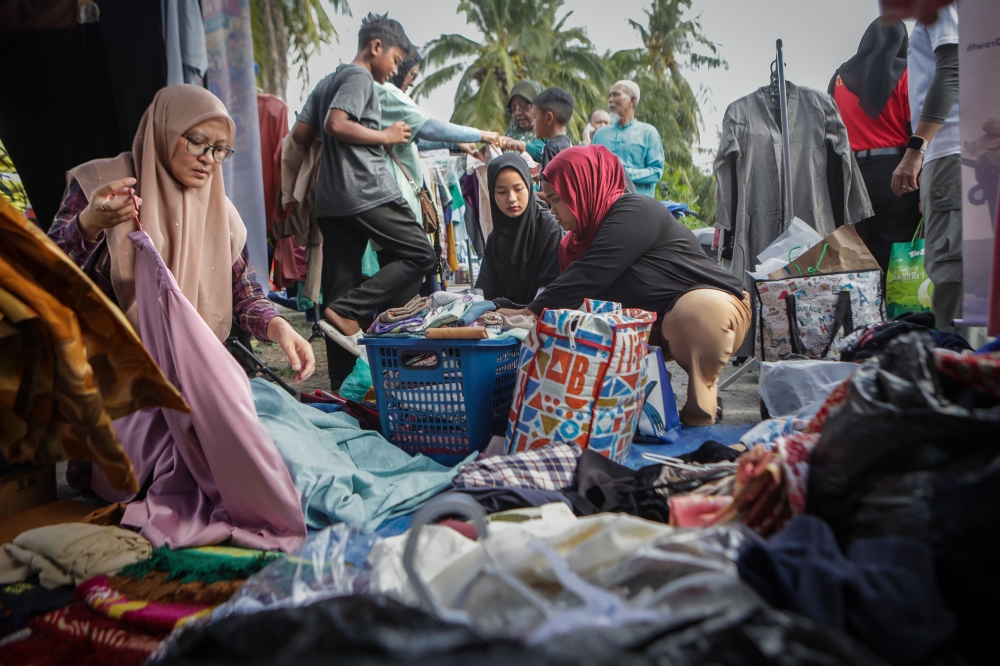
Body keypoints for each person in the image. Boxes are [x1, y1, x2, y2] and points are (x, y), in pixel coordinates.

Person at [49, 84, 315, 383]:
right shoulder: (103, 186)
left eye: (219, 150)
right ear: (165, 132)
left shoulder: (220, 211)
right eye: (198, 142)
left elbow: (244, 294)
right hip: (102, 375)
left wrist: (281, 328)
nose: (208, 158)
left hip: (188, 375)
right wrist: (89, 224)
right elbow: (44, 275)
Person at [517, 146, 750, 426]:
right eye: (548, 202)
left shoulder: (635, 210)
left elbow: (590, 275)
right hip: (651, 325)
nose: (552, 210)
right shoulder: (572, 245)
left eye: (556, 199)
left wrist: (528, 313)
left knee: (692, 317)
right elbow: (576, 303)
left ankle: (701, 412)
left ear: (582, 188)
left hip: (715, 307)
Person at [291, 13, 436, 389]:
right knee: (421, 254)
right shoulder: (358, 77)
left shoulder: (328, 82)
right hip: (367, 190)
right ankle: (351, 310)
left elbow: (301, 133)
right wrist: (385, 136)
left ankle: (344, 390)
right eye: (395, 60)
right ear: (376, 47)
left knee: (338, 293)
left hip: (332, 201)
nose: (395, 69)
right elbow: (335, 124)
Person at [891, 4, 962, 334]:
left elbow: (951, 70)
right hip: (958, 155)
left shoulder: (943, 6)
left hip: (951, 150)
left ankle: (959, 370)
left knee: (953, 274)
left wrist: (916, 150)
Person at [831, 18, 920, 275]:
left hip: (851, 175)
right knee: (895, 253)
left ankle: (864, 310)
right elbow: (916, 130)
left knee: (857, 254)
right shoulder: (906, 74)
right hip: (896, 173)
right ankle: (894, 313)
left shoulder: (839, 78)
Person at [376, 50, 500, 231]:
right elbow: (430, 129)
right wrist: (480, 134)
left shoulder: (389, 97)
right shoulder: (389, 94)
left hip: (396, 191)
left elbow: (417, 140)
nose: (411, 82)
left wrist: (455, 144)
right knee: (420, 254)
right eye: (411, 74)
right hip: (395, 191)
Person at [475, 154, 562, 304]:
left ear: (529, 187)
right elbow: (485, 292)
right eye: (502, 192)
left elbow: (550, 292)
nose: (511, 198)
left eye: (518, 189)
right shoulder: (496, 238)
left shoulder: (550, 230)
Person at [592, 80, 665, 197]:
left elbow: (656, 172)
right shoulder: (600, 134)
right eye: (609, 96)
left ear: (632, 100)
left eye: (616, 94)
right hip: (603, 208)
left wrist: (623, 173)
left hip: (637, 207)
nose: (610, 99)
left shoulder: (648, 133)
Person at [499, 80, 546, 162]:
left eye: (524, 106)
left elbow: (544, 153)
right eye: (513, 109)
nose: (517, 113)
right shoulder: (509, 136)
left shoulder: (550, 135)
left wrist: (518, 145)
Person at [532, 86, 574, 171]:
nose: (532, 123)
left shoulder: (550, 149)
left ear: (548, 118)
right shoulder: (568, 144)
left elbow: (548, 184)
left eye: (534, 116)